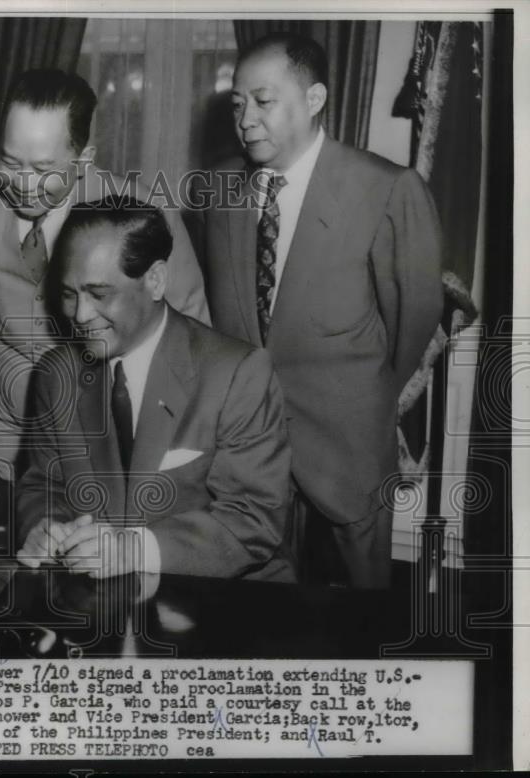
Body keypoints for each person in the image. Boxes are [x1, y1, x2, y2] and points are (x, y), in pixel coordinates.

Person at [198, 32, 443, 588]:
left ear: (314, 100)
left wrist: (359, 391)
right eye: (237, 104)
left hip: (347, 443)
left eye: (263, 101)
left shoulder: (386, 188)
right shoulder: (217, 187)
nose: (246, 119)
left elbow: (413, 319)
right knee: (257, 608)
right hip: (248, 445)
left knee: (363, 613)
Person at [0, 68, 209, 480]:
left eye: (42, 168)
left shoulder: (142, 214)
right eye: (9, 161)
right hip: (0, 446)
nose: (22, 184)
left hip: (106, 443)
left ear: (83, 159)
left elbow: (193, 335)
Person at [15, 198, 294, 581]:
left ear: (156, 280)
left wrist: (133, 550)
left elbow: (254, 518)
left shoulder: (237, 374)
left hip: (217, 599)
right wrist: (45, 526)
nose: (79, 316)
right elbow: (41, 485)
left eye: (99, 294)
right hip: (99, 602)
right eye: (68, 294)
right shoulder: (56, 374)